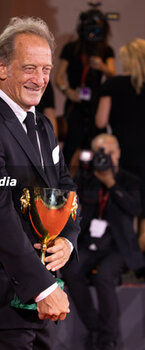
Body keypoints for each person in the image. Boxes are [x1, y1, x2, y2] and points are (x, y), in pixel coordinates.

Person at [0, 16, 80, 350]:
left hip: (39, 304)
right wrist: (44, 288)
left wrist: (67, 239)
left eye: (46, 69)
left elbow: (64, 187)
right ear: (2, 67)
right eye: (30, 68)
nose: (40, 80)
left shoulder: (42, 124)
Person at [61, 134, 145, 350]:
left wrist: (111, 183)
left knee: (105, 277)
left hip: (118, 246)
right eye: (100, 153)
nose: (105, 158)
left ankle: (108, 339)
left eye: (109, 153)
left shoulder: (130, 180)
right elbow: (71, 204)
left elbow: (135, 208)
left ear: (117, 153)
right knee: (71, 270)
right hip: (89, 243)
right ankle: (95, 328)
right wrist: (83, 174)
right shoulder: (86, 178)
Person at [95, 38, 145, 254]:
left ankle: (124, 262)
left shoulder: (113, 85)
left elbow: (100, 121)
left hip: (123, 157)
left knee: (126, 209)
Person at [55, 8, 115, 169]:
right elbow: (58, 78)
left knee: (96, 148)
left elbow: (112, 74)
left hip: (96, 106)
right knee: (70, 148)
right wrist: (68, 91)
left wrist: (102, 66)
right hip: (75, 105)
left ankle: (92, 189)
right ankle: (65, 187)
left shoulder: (105, 50)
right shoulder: (71, 49)